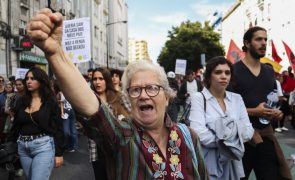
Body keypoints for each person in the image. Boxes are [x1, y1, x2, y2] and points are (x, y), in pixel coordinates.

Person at [25, 8, 208, 179]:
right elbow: (93, 110)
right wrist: (57, 54)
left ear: (167, 97)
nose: (144, 95)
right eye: (135, 90)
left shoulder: (188, 136)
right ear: (129, 98)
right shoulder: (123, 136)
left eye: (152, 88)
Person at [230, 26, 291, 180]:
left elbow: (270, 101)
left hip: (265, 137)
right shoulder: (232, 71)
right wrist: (254, 111)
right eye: (258, 39)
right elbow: (224, 108)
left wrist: (276, 112)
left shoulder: (269, 72)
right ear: (247, 43)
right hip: (241, 140)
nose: (264, 43)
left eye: (265, 39)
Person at [189, 56, 254, 179]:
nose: (223, 76)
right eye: (218, 72)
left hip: (233, 162)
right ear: (208, 76)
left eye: (227, 72)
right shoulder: (198, 98)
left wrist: (221, 137)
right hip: (208, 162)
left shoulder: (237, 98)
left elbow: (249, 131)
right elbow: (199, 133)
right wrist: (233, 140)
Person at [7, 67, 64, 180]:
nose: (28, 81)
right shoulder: (21, 101)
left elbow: (58, 128)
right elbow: (16, 126)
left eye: (32, 78)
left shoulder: (50, 102)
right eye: (27, 78)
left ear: (41, 81)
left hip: (43, 147)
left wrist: (59, 153)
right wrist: (9, 145)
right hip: (23, 147)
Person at [88, 67, 130, 180]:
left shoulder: (119, 96)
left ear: (107, 80)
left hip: (119, 148)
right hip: (98, 149)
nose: (97, 82)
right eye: (95, 79)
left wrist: (121, 121)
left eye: (101, 78)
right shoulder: (89, 99)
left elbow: (133, 118)